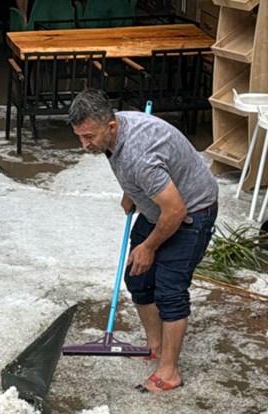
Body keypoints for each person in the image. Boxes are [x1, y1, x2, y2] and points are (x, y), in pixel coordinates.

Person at [67, 88, 219, 394]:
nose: (84, 145)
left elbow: (175, 211)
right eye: (80, 136)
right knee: (138, 279)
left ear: (110, 127)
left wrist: (149, 246)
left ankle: (169, 372)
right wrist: (132, 190)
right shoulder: (116, 130)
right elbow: (144, 174)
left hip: (190, 213)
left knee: (170, 291)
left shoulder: (140, 157)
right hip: (159, 208)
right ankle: (156, 345)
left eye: (89, 137)